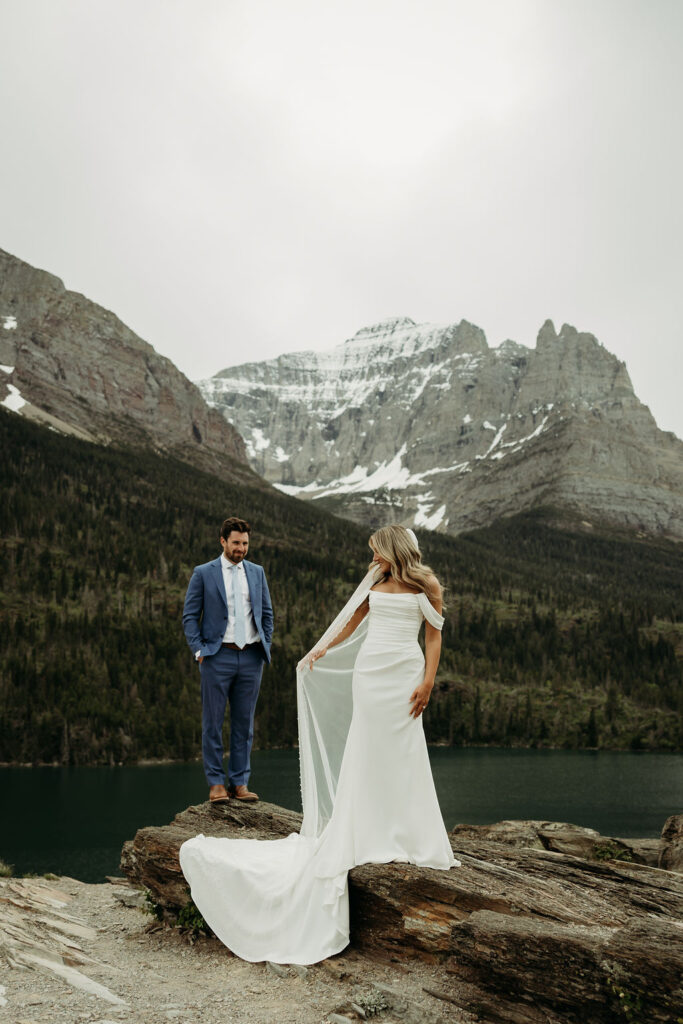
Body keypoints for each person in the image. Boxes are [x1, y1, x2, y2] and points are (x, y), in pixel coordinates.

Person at [180, 524, 459, 964]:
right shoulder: (374, 583)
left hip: (405, 673)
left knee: (404, 752)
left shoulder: (428, 584)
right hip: (370, 675)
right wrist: (320, 651)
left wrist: (427, 682)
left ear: (391, 550)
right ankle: (362, 825)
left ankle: (409, 831)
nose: (372, 560)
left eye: (376, 552)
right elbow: (350, 621)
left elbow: (433, 635)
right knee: (366, 748)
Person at [182, 516, 274, 804]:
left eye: (245, 543)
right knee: (212, 722)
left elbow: (267, 614)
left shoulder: (257, 572)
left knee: (244, 723)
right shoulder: (203, 573)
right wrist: (199, 651)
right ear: (223, 541)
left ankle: (239, 782)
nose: (241, 548)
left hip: (251, 657)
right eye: (236, 543)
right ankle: (215, 784)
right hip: (216, 655)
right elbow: (189, 616)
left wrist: (265, 642)